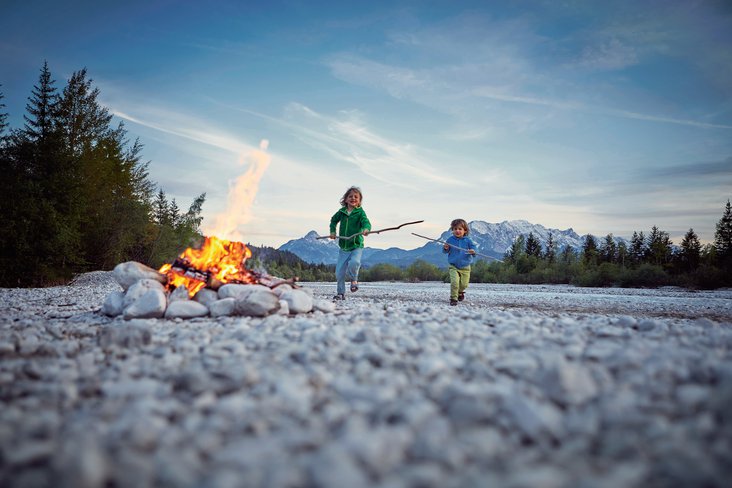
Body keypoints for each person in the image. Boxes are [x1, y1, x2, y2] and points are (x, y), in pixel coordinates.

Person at [329, 186, 371, 300]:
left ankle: (354, 280)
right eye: (350, 196)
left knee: (355, 262)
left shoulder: (360, 213)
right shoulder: (341, 212)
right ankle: (340, 293)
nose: (353, 198)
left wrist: (366, 229)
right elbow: (333, 220)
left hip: (356, 245)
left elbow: (366, 222)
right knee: (339, 273)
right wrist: (333, 231)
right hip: (343, 247)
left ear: (359, 200)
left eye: (356, 197)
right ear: (346, 199)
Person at [443, 218, 477, 306]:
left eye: (460, 229)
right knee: (455, 282)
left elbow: (475, 249)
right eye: (455, 229)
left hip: (465, 267)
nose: (457, 231)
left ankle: (460, 292)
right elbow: (445, 251)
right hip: (453, 265)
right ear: (452, 230)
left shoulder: (468, 240)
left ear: (465, 230)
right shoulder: (450, 240)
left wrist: (473, 251)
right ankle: (453, 298)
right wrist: (446, 248)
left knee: (464, 284)